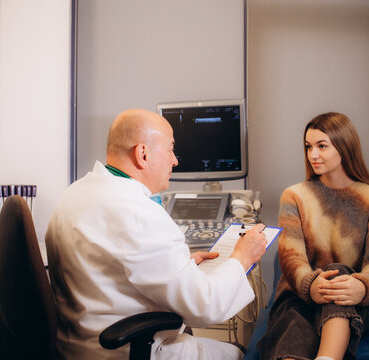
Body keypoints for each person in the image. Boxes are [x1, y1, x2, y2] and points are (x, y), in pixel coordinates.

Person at [45, 109, 267, 360]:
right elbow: (205, 306)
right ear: (143, 154)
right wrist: (242, 257)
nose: (175, 161)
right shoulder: (138, 211)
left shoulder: (76, 192)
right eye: (171, 149)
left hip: (76, 347)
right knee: (245, 355)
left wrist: (182, 266)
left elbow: (109, 270)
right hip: (130, 351)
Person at [257, 112, 369, 360]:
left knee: (338, 276)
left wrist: (362, 287)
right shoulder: (294, 196)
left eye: (322, 146)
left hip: (358, 301)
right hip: (301, 297)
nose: (313, 155)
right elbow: (291, 259)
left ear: (344, 146)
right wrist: (311, 287)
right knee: (293, 322)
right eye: (309, 147)